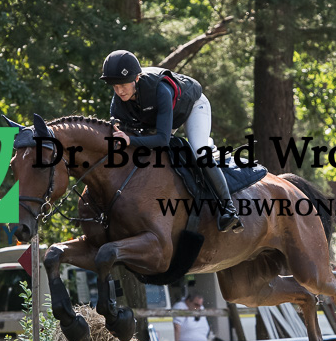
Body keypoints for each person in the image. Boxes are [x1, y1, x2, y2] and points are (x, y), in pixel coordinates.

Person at [100, 49, 242, 232]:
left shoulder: (160, 89)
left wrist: (131, 140)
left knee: (199, 151)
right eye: (115, 86)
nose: (119, 91)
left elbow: (162, 140)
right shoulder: (118, 101)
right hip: (161, 116)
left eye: (123, 85)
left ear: (136, 78)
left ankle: (228, 208)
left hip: (192, 105)